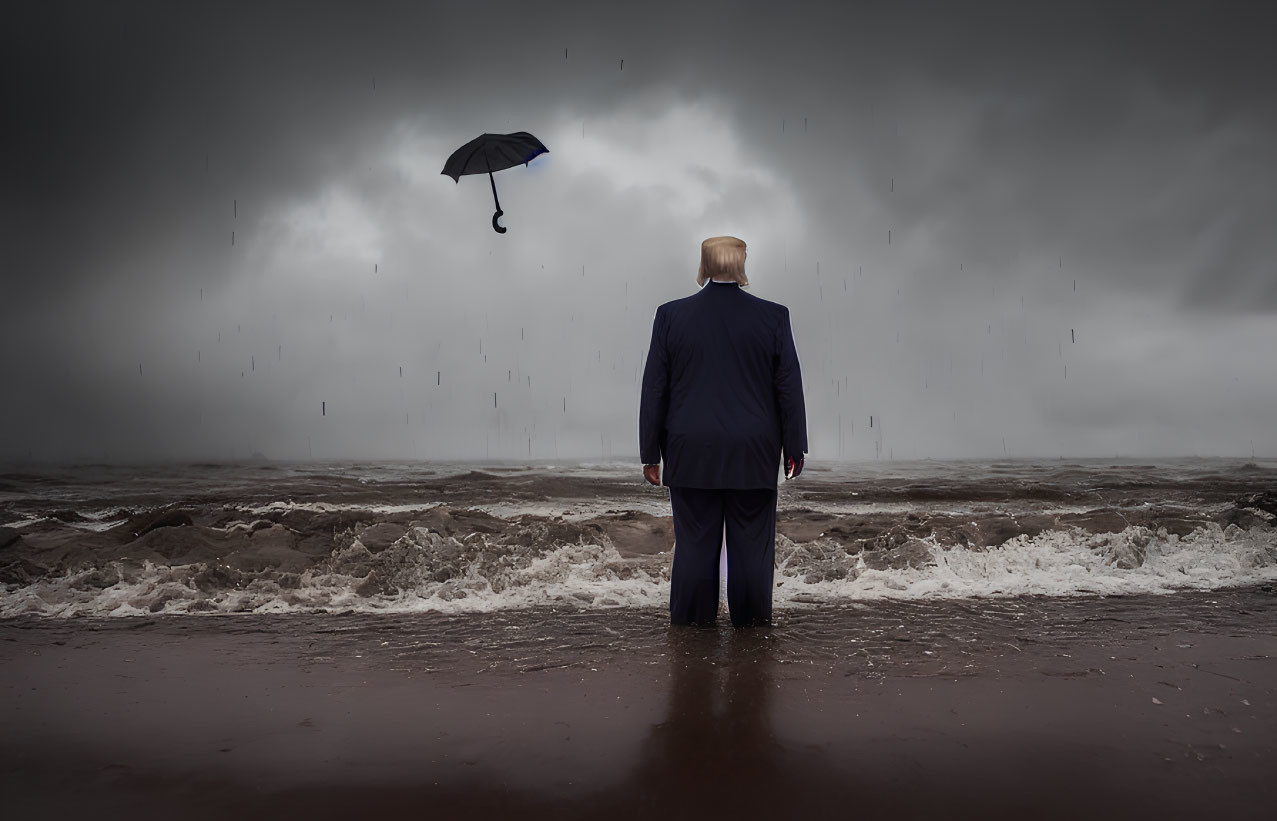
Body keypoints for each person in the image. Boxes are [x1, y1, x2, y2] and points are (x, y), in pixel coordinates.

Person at [639, 236, 808, 627]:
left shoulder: (670, 315)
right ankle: (750, 626)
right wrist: (794, 447)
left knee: (695, 545)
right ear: (741, 263)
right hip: (753, 449)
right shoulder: (773, 317)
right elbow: (788, 388)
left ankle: (692, 626)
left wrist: (650, 452)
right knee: (752, 547)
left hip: (690, 448)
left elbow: (655, 389)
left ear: (705, 264)